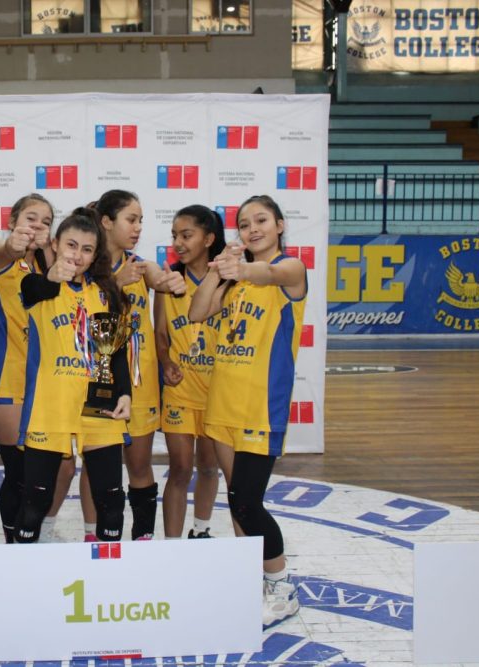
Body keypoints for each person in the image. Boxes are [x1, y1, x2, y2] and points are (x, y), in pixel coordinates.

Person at [188, 194, 307, 627]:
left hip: (261, 408)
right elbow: (199, 311)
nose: (253, 228)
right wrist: (220, 271)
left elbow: (272, 271)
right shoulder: (234, 280)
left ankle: (281, 587)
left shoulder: (290, 270)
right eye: (244, 223)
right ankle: (250, 580)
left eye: (261, 220)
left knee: (246, 502)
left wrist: (244, 268)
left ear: (279, 224)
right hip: (222, 404)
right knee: (237, 504)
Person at [14, 208, 132, 544]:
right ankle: (27, 571)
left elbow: (115, 351)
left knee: (111, 498)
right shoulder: (39, 286)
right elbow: (38, 287)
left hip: (100, 404)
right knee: (36, 498)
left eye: (86, 249)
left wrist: (124, 393)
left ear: (96, 255)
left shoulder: (104, 293)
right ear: (55, 244)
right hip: (50, 406)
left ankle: (108, 573)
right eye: (70, 245)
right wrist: (54, 274)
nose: (77, 255)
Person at [92, 190, 186, 541]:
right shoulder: (88, 265)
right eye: (131, 219)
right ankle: (96, 535)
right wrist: (117, 282)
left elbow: (162, 280)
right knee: (97, 468)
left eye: (141, 220)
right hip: (99, 378)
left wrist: (171, 281)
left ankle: (143, 538)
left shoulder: (143, 265)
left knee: (140, 465)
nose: (138, 227)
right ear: (106, 221)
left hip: (140, 380)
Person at [0, 193, 54, 543]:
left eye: (46, 221)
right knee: (21, 473)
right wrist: (13, 244)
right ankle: (14, 545)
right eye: (30, 218)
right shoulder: (2, 259)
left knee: (39, 476)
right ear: (12, 222)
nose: (37, 226)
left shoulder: (49, 267)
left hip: (44, 385)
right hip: (5, 382)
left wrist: (51, 250)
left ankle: (29, 541)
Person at [153, 205, 229, 539]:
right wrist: (167, 363)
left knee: (209, 467)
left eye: (186, 235)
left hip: (216, 392)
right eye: (174, 236)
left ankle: (201, 530)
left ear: (209, 238)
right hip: (180, 391)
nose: (178, 243)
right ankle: (171, 544)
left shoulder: (230, 282)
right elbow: (160, 334)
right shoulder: (168, 282)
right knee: (180, 467)